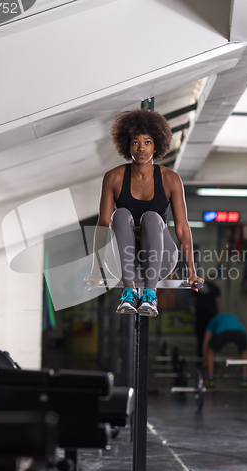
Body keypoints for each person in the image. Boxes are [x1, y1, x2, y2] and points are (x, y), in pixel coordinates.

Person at [83, 108, 203, 316]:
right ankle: (128, 293)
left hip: (161, 260)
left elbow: (182, 228)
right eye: (135, 142)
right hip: (124, 262)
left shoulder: (170, 179)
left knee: (152, 218)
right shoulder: (114, 177)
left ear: (156, 145)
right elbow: (103, 225)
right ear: (127, 145)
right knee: (119, 215)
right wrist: (96, 271)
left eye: (147, 142)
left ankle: (150, 294)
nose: (141, 148)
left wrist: (191, 272)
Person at [202, 313, 247, 387]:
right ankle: (244, 377)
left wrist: (205, 359)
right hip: (239, 332)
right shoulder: (233, 316)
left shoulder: (212, 320)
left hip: (223, 331)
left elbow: (206, 341)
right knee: (244, 350)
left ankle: (210, 377)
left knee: (210, 349)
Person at [194, 270, 222, 360]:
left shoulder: (199, 286)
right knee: (210, 338)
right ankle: (210, 359)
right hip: (211, 316)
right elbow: (217, 302)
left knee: (201, 337)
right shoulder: (215, 288)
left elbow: (194, 300)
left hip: (200, 314)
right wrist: (220, 315)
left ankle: (201, 358)